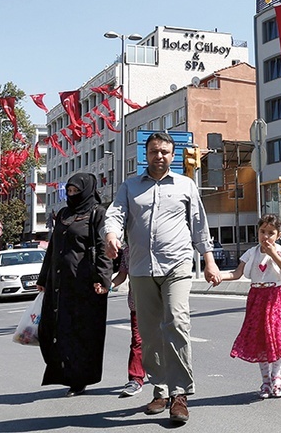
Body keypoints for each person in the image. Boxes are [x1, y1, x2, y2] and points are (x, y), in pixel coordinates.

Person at [104, 131, 221, 425]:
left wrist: (209, 262)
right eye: (154, 151)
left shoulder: (186, 185)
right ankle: (160, 389)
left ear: (173, 155)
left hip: (177, 265)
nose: (160, 156)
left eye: (165, 152)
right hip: (142, 268)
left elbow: (199, 226)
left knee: (177, 322)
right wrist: (111, 235)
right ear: (146, 154)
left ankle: (180, 394)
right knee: (149, 332)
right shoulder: (130, 187)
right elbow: (116, 214)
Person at [37, 173, 112, 397]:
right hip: (59, 283)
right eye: (68, 191)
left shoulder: (98, 214)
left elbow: (103, 249)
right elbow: (52, 249)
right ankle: (64, 373)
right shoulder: (63, 214)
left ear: (87, 190)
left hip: (85, 285)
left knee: (82, 333)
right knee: (54, 329)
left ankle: (79, 379)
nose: (71, 195)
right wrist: (43, 278)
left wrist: (102, 278)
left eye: (75, 191)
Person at [220, 214, 281, 399]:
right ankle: (265, 381)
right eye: (262, 231)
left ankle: (277, 377)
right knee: (261, 339)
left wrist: (273, 254)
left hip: (275, 296)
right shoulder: (251, 252)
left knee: (278, 336)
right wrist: (219, 276)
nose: (266, 236)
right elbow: (237, 273)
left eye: (271, 233)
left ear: (278, 235)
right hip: (257, 297)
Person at [110, 245, 145, 398]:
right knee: (137, 341)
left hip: (159, 304)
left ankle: (167, 380)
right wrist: (109, 285)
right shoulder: (128, 250)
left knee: (162, 341)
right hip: (136, 304)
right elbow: (122, 275)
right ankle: (135, 379)